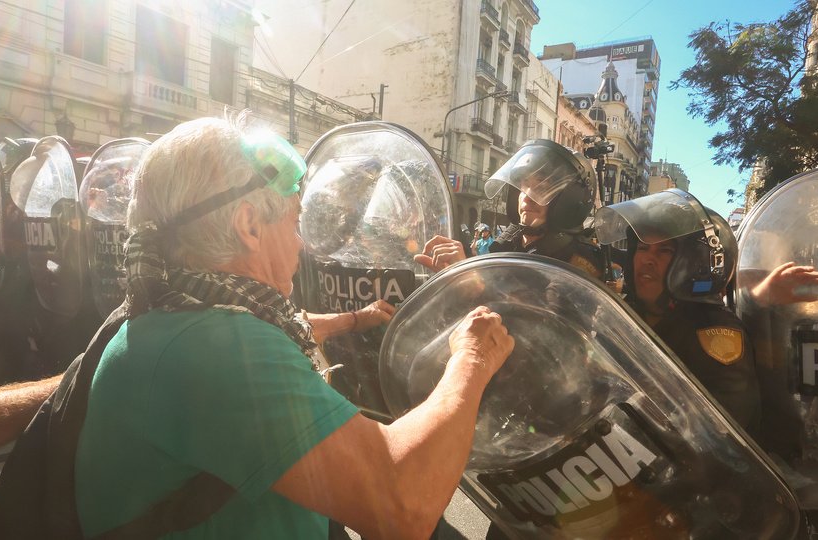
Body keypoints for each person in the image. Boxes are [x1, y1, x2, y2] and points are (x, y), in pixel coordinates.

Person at [70, 115, 513, 539]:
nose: (300, 243)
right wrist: (473, 356)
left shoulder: (174, 312)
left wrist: (357, 319)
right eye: (293, 220)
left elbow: (295, 327)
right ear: (249, 225)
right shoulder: (218, 346)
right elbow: (403, 503)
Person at [595, 190, 761, 433]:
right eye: (643, 248)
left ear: (697, 265)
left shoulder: (714, 332)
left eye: (664, 251)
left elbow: (722, 432)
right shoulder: (621, 312)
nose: (647, 260)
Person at [417, 140, 604, 280]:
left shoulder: (581, 260)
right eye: (523, 186)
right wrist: (460, 267)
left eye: (541, 188)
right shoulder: (510, 239)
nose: (527, 197)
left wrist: (470, 281)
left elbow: (540, 320)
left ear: (570, 200)